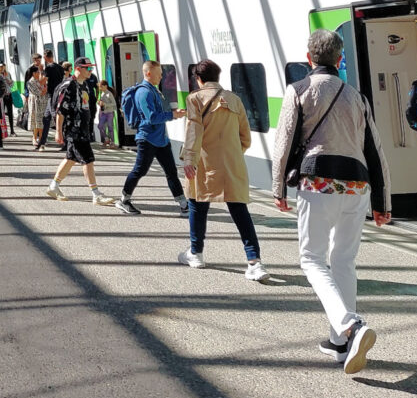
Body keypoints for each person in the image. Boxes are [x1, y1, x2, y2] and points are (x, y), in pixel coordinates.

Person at [272, 29, 391, 375]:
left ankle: (349, 326)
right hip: (357, 186)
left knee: (311, 259)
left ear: (309, 58)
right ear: (340, 60)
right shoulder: (357, 96)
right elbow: (376, 150)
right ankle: (340, 343)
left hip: (318, 182)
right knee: (343, 261)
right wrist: (383, 200)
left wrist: (278, 187)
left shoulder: (299, 90)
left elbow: (284, 142)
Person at [178, 60, 269, 281]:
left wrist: (189, 158)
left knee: (197, 206)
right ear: (218, 77)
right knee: (240, 212)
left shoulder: (195, 99)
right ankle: (254, 262)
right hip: (231, 164)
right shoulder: (234, 99)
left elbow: (194, 131)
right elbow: (245, 136)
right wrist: (233, 153)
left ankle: (196, 253)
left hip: (204, 164)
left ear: (198, 79)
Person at [116, 60, 188, 216]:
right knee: (140, 170)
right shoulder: (144, 92)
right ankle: (124, 200)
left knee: (171, 171)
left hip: (160, 139)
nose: (161, 77)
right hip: (147, 139)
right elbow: (151, 118)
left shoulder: (153, 90)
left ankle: (183, 203)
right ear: (148, 73)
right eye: (159, 73)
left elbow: (158, 114)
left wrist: (174, 113)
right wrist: (173, 115)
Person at [46, 58, 115, 207]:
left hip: (82, 129)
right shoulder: (69, 85)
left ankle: (54, 187)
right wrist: (59, 132)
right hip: (73, 129)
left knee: (71, 158)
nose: (91, 71)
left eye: (91, 68)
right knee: (88, 159)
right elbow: (60, 110)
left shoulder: (84, 85)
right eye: (87, 68)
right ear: (78, 68)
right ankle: (96, 194)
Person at [39, 50, 65, 150]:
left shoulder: (49, 68)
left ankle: (65, 142)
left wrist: (41, 70)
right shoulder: (59, 67)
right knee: (46, 118)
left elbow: (41, 82)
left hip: (52, 96)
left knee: (54, 117)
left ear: (46, 57)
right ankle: (42, 142)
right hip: (58, 94)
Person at [27, 65, 48, 149]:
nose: (39, 73)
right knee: (36, 121)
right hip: (35, 103)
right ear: (33, 73)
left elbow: (44, 90)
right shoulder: (30, 82)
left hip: (42, 102)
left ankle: (40, 138)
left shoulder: (39, 80)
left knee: (40, 121)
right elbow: (39, 92)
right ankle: (36, 138)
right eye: (37, 72)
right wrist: (44, 90)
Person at [97, 80, 117, 147]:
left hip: (109, 113)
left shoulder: (109, 94)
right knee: (100, 126)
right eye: (100, 87)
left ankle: (113, 142)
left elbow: (114, 104)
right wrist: (100, 103)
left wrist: (105, 104)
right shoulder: (102, 93)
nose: (100, 88)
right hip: (104, 113)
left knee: (110, 127)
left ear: (105, 86)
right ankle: (106, 138)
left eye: (101, 86)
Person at [1, 65, 16, 136]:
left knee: (10, 113)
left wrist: (9, 80)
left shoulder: (8, 74)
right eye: (1, 67)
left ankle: (12, 130)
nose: (2, 68)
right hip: (2, 97)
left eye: (3, 67)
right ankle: (2, 130)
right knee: (1, 114)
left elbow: (12, 85)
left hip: (9, 95)